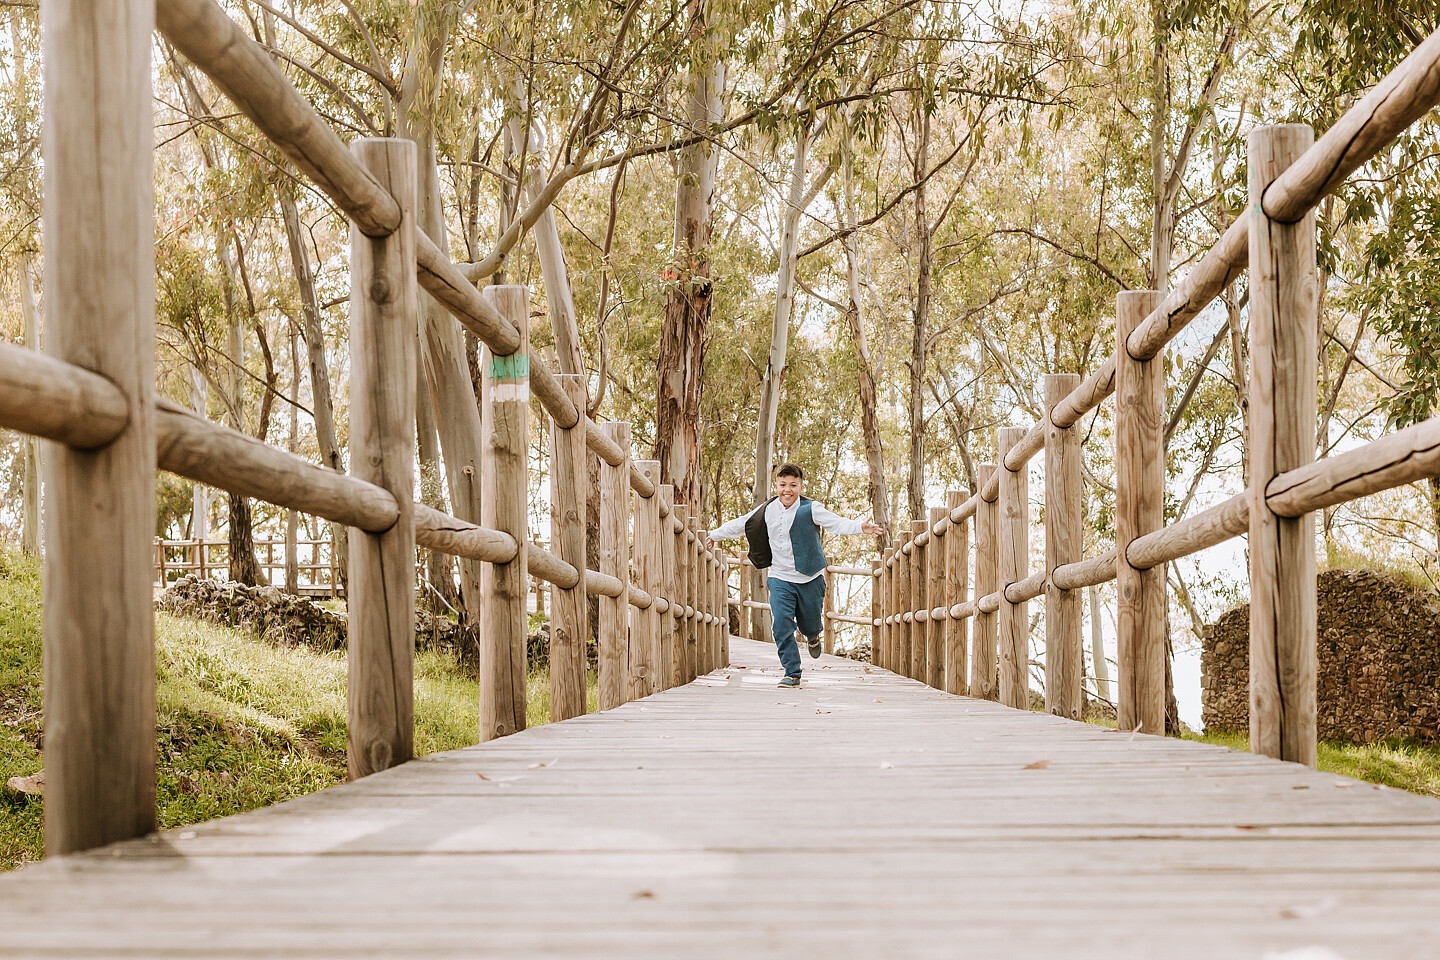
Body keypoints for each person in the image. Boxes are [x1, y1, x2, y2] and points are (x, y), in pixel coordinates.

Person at [708, 463, 882, 687]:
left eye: (793, 485)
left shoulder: (811, 508)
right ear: (776, 486)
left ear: (800, 487)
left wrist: (860, 527)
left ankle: (813, 634)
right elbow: (742, 524)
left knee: (810, 624)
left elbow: (835, 523)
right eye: (782, 485)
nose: (787, 490)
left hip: (810, 578)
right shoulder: (767, 510)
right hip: (780, 578)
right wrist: (714, 534)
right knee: (781, 624)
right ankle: (792, 672)